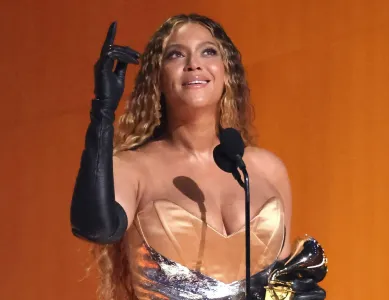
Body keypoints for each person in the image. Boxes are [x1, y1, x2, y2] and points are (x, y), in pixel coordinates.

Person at [70, 14, 326, 300]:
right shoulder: (133, 169)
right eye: (176, 55)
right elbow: (95, 227)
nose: (194, 63)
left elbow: (284, 285)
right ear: (158, 79)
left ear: (227, 72)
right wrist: (102, 111)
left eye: (208, 51)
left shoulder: (267, 169)